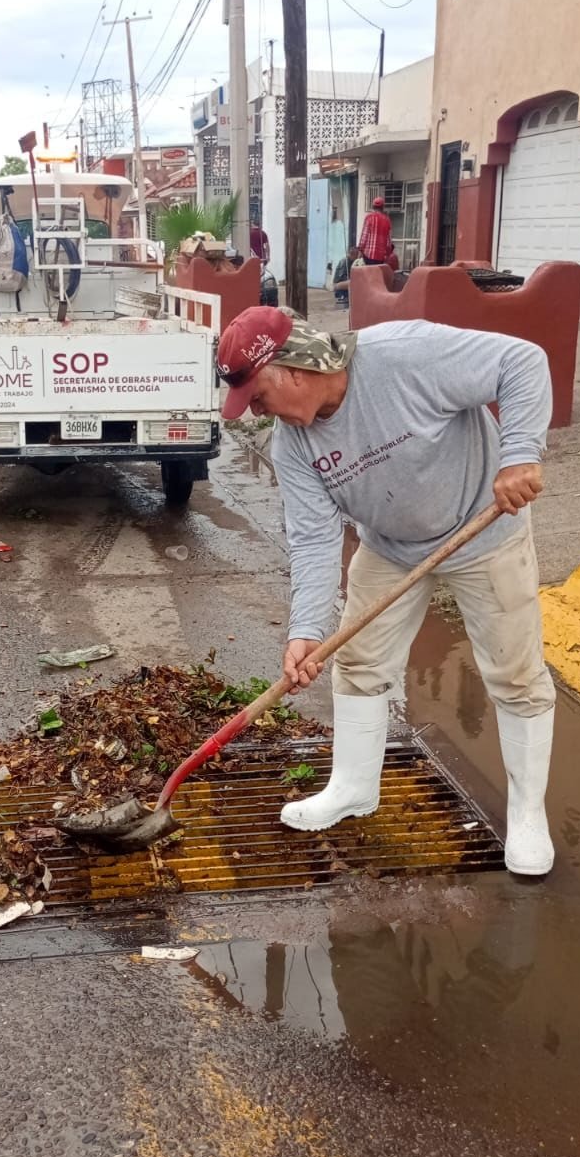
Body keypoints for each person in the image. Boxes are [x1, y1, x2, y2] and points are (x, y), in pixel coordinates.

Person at [216, 306, 556, 877]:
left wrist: (520, 452)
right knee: (359, 662)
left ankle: (527, 815)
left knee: (515, 675)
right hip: (391, 548)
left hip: (485, 531)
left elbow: (522, 361)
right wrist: (306, 630)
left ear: (293, 370)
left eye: (258, 397)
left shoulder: (405, 355)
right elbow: (313, 541)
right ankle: (353, 786)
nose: (256, 411)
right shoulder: (293, 445)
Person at [356, 196, 394, 266]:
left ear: (373, 206)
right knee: (377, 276)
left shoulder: (369, 217)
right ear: (383, 207)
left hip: (368, 256)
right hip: (380, 258)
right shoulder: (387, 220)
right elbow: (389, 241)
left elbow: (364, 236)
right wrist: (387, 254)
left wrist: (360, 250)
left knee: (367, 275)